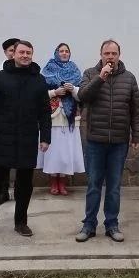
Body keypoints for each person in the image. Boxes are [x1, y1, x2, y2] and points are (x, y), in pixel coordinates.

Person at [0, 40, 51, 238]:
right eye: (21, 52)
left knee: (24, 185)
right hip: (2, 139)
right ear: (14, 54)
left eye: (28, 53)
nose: (25, 56)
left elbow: (45, 112)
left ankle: (21, 222)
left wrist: (45, 137)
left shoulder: (39, 80)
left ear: (32, 55)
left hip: (27, 139)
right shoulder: (1, 77)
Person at [75, 39, 139, 242]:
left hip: (119, 142)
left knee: (113, 187)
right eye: (107, 53)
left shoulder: (129, 78)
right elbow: (83, 96)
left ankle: (112, 224)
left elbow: (135, 110)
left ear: (119, 55)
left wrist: (137, 135)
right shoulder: (90, 74)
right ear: (101, 55)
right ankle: (89, 225)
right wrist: (100, 78)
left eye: (114, 53)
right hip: (95, 140)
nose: (110, 57)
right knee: (94, 185)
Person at [38, 42, 84, 194]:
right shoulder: (48, 69)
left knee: (66, 150)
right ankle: (53, 182)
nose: (64, 53)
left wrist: (74, 89)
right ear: (56, 53)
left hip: (70, 117)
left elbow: (82, 94)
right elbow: (39, 94)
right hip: (53, 116)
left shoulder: (75, 70)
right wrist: (55, 92)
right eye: (61, 51)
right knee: (54, 151)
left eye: (67, 51)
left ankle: (62, 183)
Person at [0, 38, 20, 204]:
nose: (13, 54)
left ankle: (19, 191)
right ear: (6, 52)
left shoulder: (26, 70)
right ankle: (3, 191)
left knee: (21, 159)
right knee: (3, 160)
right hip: (3, 121)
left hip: (20, 121)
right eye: (10, 50)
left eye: (16, 50)